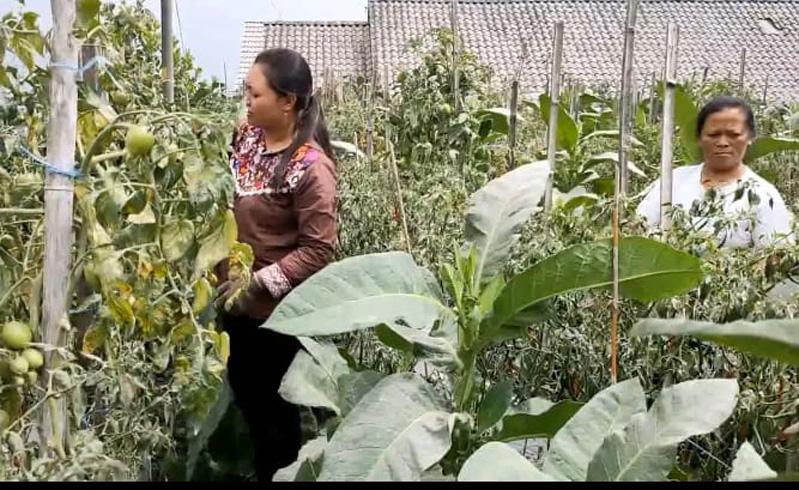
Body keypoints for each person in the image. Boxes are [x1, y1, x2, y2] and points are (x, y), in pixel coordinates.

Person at [213, 48, 337, 481]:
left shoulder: (311, 169)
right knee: (250, 407)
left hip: (276, 322)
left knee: (275, 423)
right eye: (245, 92)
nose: (246, 101)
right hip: (236, 310)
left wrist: (256, 283)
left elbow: (318, 249)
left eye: (255, 94)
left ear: (287, 102)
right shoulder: (247, 138)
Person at [636, 96, 794, 249]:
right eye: (713, 135)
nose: (723, 143)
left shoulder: (764, 195)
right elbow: (639, 227)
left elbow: (774, 255)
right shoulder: (673, 181)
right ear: (699, 138)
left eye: (734, 135)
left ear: (750, 137)